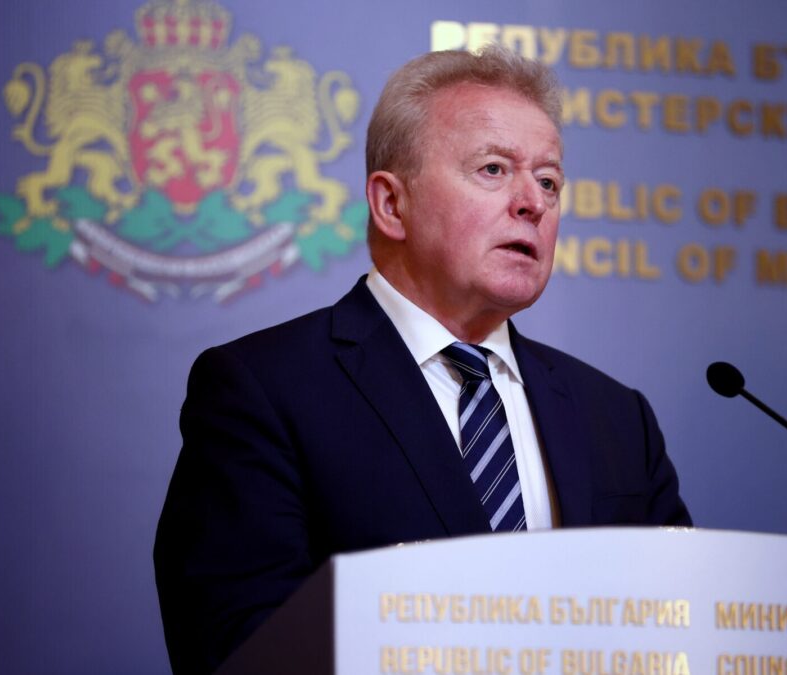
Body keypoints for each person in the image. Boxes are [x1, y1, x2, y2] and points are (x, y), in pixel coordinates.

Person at [154, 45, 691, 675]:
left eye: (548, 181)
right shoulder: (263, 390)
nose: (533, 202)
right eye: (494, 169)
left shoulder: (616, 417)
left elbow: (679, 630)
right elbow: (239, 648)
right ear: (391, 204)